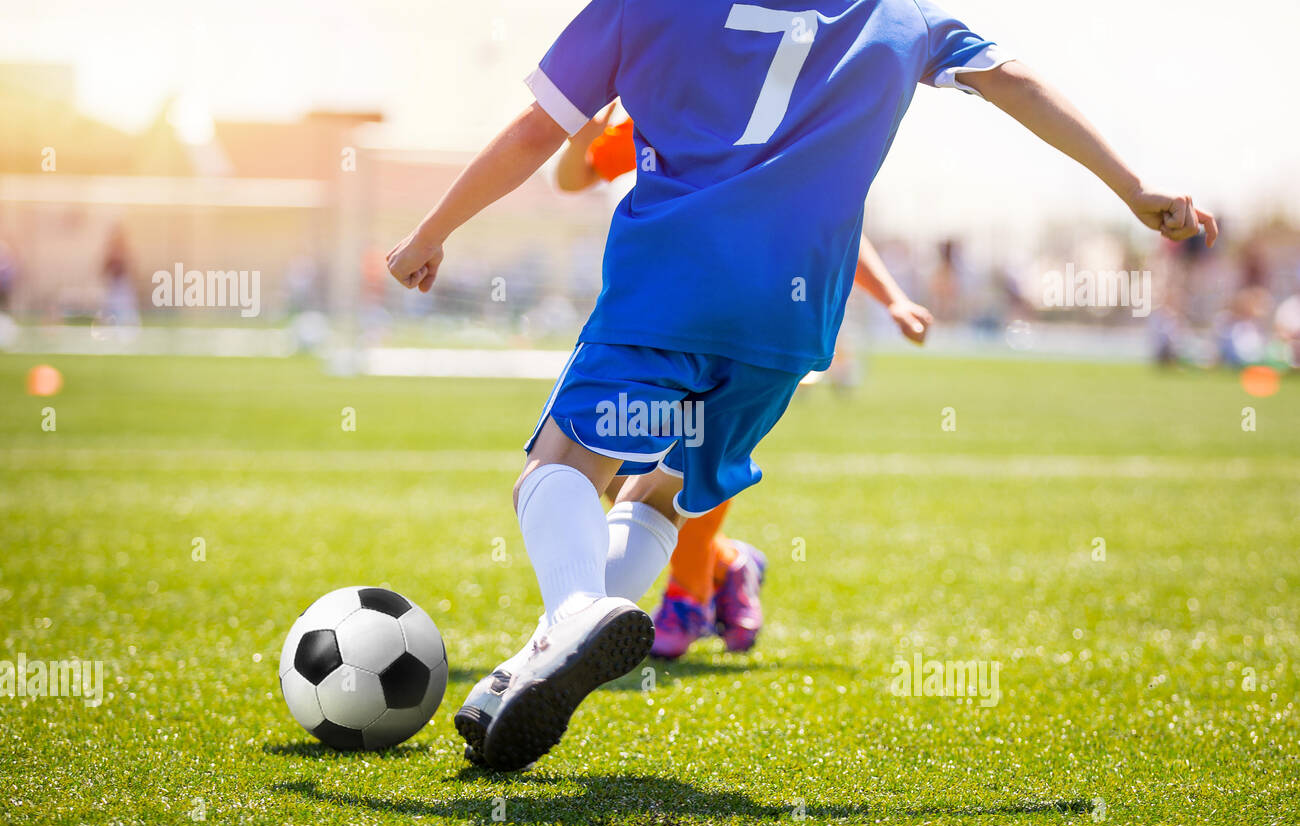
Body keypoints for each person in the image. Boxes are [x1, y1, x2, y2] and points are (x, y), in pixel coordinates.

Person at [388, 0, 1216, 772]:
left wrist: (430, 233)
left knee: (561, 469)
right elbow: (1015, 80)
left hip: (671, 290)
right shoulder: (899, 15)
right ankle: (537, 658)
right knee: (659, 496)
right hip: (788, 326)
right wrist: (1133, 187)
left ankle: (570, 614)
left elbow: (542, 133)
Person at [555, 105, 934, 661]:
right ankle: (729, 564)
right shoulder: (668, 102)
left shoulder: (780, 113)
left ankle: (689, 596)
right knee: (622, 470)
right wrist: (583, 134)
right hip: (658, 309)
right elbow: (577, 175)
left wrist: (894, 299)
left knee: (695, 452)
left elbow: (831, 217)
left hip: (755, 322)